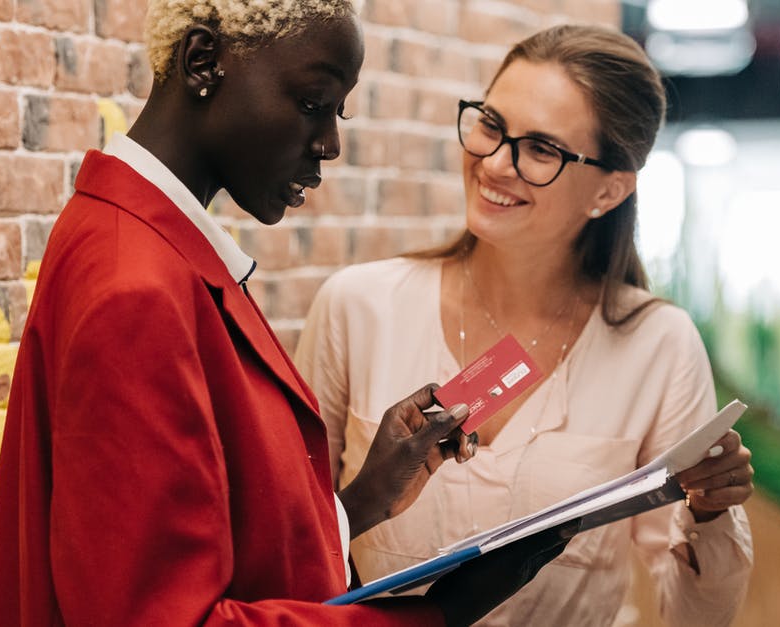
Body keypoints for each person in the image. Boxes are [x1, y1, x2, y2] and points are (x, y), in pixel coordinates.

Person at [0, 2, 573, 625]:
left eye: (337, 112)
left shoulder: (134, 238)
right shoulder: (138, 287)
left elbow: (206, 549)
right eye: (314, 103)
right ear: (203, 61)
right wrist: (441, 613)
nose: (331, 143)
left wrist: (361, 502)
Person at [296, 24, 755, 626]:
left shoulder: (657, 345)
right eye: (490, 124)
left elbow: (695, 616)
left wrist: (711, 511)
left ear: (609, 191)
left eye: (541, 149)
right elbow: (291, 548)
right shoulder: (359, 307)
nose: (494, 162)